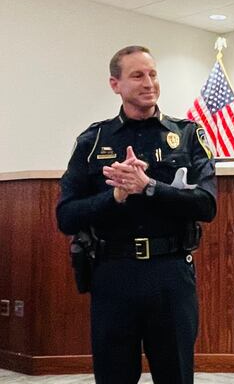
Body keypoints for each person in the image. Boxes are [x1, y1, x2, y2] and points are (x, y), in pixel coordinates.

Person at [56, 45, 217, 384]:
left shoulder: (187, 135)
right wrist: (114, 196)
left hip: (170, 274)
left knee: (176, 375)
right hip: (113, 275)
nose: (149, 83)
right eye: (137, 75)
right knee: (114, 377)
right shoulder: (93, 140)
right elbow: (66, 216)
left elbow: (207, 205)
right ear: (115, 84)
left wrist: (149, 187)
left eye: (153, 74)